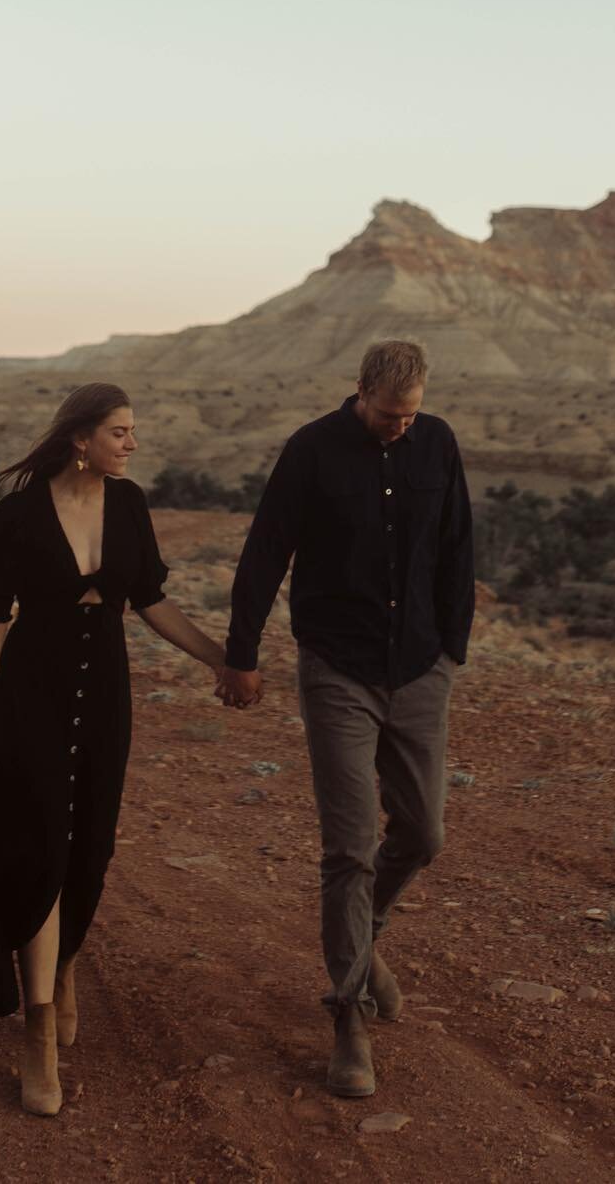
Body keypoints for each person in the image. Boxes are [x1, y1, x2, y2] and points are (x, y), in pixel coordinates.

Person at [0, 383, 227, 1117]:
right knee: (43, 852)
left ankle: (66, 960)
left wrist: (220, 659)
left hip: (106, 696)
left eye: (133, 431)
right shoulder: (19, 515)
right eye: (120, 431)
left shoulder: (131, 504)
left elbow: (151, 600)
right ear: (80, 438)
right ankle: (38, 1033)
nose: (133, 442)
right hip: (31, 697)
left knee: (89, 850)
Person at [216, 340, 474, 1099]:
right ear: (359, 391)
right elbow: (267, 551)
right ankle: (348, 1014)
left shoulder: (438, 442)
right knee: (350, 846)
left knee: (423, 833)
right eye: (389, 415)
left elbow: (457, 547)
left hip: (422, 668)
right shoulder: (311, 450)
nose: (400, 427)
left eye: (411, 415)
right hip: (337, 667)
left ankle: (366, 934)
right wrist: (242, 652)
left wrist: (451, 649)